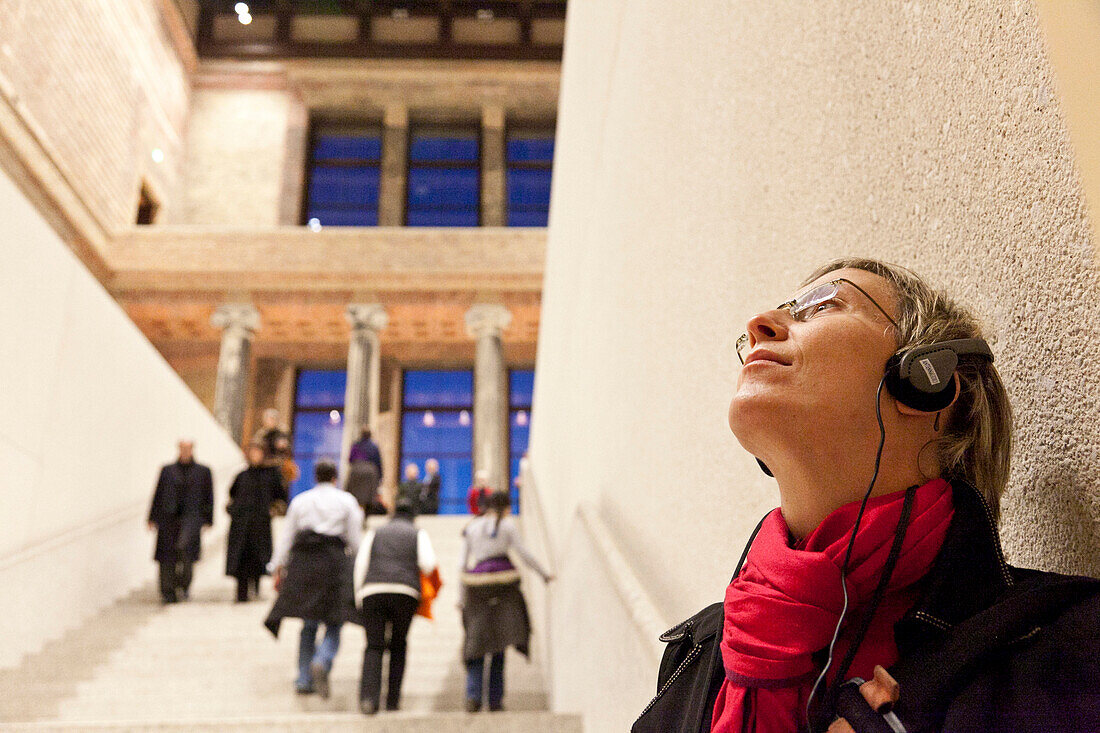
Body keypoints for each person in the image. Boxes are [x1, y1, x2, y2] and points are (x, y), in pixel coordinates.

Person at [632, 259, 1100, 732]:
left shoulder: (1071, 643)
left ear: (926, 383)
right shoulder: (695, 649)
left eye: (821, 306)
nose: (758, 325)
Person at [264, 460, 363, 698]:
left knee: (308, 625)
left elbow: (287, 537)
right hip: (334, 563)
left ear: (315, 477)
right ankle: (323, 660)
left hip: (304, 564)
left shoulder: (301, 501)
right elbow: (354, 539)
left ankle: (303, 678)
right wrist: (359, 566)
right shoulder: (346, 501)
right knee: (334, 621)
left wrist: (276, 566)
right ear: (334, 478)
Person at [459, 490, 552, 712]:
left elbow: (461, 565)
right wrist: (544, 574)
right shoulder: (508, 526)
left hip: (476, 588)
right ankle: (495, 700)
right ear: (506, 507)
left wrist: (460, 597)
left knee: (477, 643)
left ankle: (473, 697)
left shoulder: (471, 528)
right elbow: (523, 553)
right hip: (504, 588)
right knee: (499, 644)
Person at [351, 496, 439, 714]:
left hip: (373, 591)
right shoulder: (417, 532)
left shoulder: (376, 532)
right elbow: (428, 564)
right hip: (405, 592)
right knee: (399, 645)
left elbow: (361, 564)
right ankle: (392, 700)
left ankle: (369, 700)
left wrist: (358, 596)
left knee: (373, 646)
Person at [147, 440, 214, 604]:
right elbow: (158, 493)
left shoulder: (203, 471)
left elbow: (209, 495)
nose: (185, 451)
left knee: (187, 555)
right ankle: (167, 591)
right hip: (168, 520)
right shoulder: (167, 470)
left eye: (187, 448)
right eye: (182, 448)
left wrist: (208, 518)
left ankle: (183, 586)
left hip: (191, 519)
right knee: (167, 558)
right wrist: (152, 517)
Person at [225, 443, 286, 602]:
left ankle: (256, 586)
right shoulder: (242, 475)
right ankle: (242, 593)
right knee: (241, 559)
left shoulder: (270, 476)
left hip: (260, 525)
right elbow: (233, 494)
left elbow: (280, 495)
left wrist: (273, 510)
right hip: (241, 525)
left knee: (258, 558)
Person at [347, 426, 385, 515]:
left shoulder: (355, 445)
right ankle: (365, 518)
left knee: (354, 498)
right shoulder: (374, 447)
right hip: (371, 473)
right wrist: (380, 479)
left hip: (356, 471)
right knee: (370, 499)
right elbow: (378, 463)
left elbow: (350, 460)